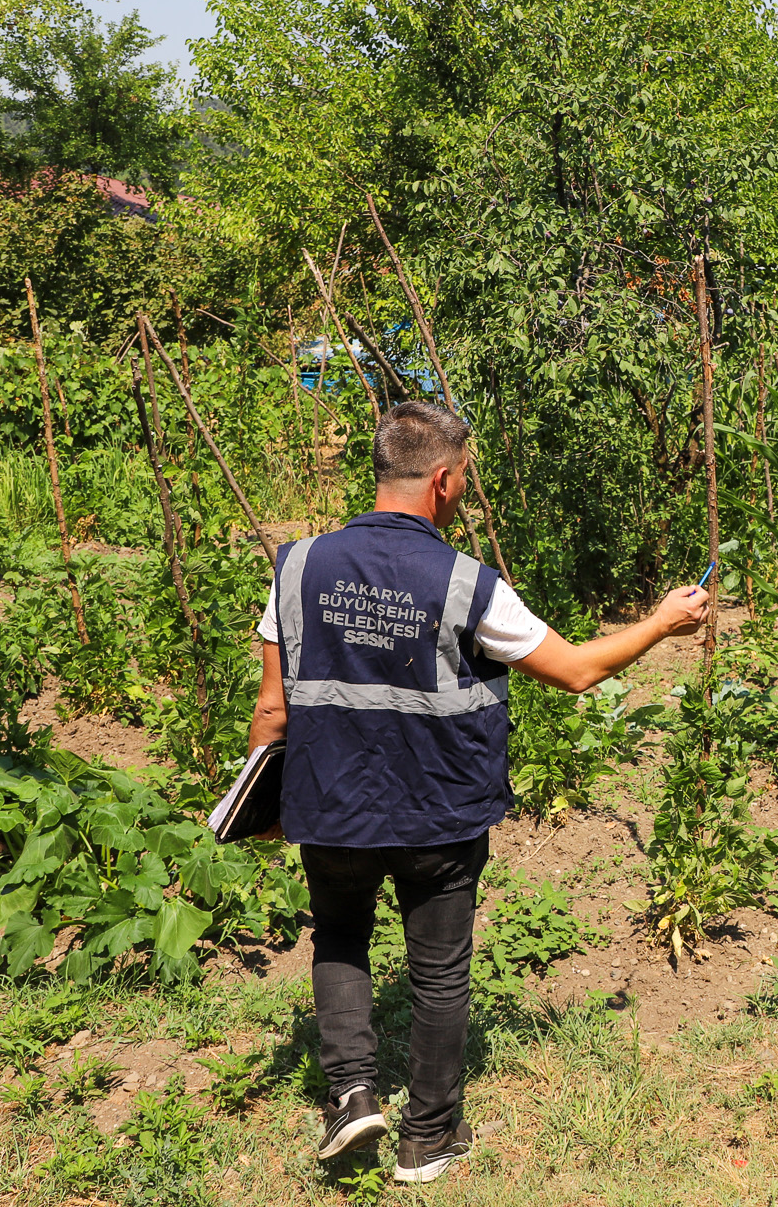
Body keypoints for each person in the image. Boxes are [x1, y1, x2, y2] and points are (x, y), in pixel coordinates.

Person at [245, 401, 708, 1183]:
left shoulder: (297, 565)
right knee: (438, 969)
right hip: (438, 814)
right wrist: (662, 622)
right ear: (443, 480)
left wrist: (261, 798)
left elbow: (271, 704)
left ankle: (353, 1093)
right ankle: (428, 1139)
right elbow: (577, 671)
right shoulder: (466, 583)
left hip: (329, 802)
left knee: (341, 936)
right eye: (463, 481)